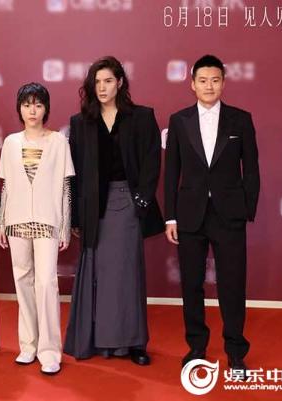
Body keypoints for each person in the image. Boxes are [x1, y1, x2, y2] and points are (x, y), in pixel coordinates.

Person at [64, 56, 164, 365]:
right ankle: (100, 341)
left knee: (127, 274)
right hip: (94, 208)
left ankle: (133, 343)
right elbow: (75, 174)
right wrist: (77, 217)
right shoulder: (81, 122)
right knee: (101, 275)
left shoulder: (142, 117)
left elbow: (151, 163)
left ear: (120, 82)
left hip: (128, 204)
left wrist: (141, 202)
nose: (102, 87)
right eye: (97, 82)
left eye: (108, 80)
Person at [164, 55, 260, 373]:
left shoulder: (240, 119)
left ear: (223, 83)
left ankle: (236, 351)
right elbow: (172, 171)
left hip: (229, 215)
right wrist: (171, 217)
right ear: (192, 84)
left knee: (232, 284)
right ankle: (196, 346)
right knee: (191, 284)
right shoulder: (179, 120)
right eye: (203, 80)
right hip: (190, 215)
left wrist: (246, 209)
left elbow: (252, 169)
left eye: (215, 80)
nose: (209, 86)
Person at [0, 83, 74, 375]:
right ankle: (28, 345)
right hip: (16, 220)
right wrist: (2, 222)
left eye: (38, 105)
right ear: (19, 108)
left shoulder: (58, 142)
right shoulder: (11, 143)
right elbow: (6, 187)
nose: (32, 110)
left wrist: (65, 226)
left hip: (47, 220)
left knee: (46, 283)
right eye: (27, 104)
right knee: (23, 281)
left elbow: (65, 187)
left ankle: (50, 351)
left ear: (46, 109)